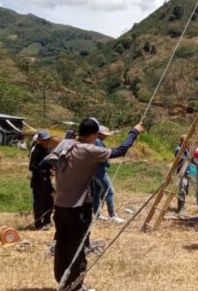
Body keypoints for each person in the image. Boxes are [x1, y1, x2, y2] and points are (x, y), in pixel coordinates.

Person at [44, 118, 143, 291]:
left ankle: (62, 280)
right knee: (78, 247)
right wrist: (134, 132)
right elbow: (120, 150)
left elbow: (47, 162)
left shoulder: (65, 143)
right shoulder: (89, 150)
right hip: (78, 208)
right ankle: (75, 285)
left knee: (62, 243)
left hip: (60, 206)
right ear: (95, 134)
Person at [91, 124, 123, 224]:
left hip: (95, 171)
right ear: (99, 134)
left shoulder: (95, 141)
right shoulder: (97, 142)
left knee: (97, 192)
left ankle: (97, 214)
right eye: (104, 135)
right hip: (99, 171)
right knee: (109, 191)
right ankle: (112, 215)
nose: (106, 136)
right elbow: (104, 155)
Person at [29, 130, 55, 229]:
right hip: (38, 180)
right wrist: (43, 171)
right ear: (40, 140)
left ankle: (47, 220)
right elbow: (31, 166)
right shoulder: (36, 150)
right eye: (45, 139)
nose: (47, 140)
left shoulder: (48, 149)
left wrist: (52, 169)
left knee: (49, 201)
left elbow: (49, 162)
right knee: (39, 203)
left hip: (47, 180)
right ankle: (38, 223)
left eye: (48, 139)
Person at [173, 135, 190, 218]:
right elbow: (182, 161)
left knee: (185, 189)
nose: (188, 143)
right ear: (182, 141)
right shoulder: (179, 149)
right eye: (186, 142)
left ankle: (181, 207)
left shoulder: (186, 148)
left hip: (186, 172)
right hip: (181, 172)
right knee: (182, 190)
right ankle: (180, 210)